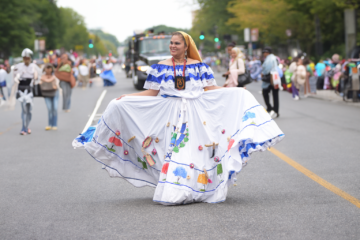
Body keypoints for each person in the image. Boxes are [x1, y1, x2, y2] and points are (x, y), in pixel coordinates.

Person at [73, 31, 284, 205]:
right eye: (171, 43)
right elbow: (151, 93)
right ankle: (176, 189)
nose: (172, 46)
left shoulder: (199, 66)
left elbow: (211, 89)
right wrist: (127, 97)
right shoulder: (160, 67)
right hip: (169, 114)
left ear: (186, 46)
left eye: (176, 43)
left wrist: (237, 92)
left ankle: (196, 189)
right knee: (173, 150)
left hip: (195, 114)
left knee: (194, 151)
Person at [14, 48, 39, 135]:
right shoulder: (19, 66)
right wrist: (18, 76)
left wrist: (35, 77)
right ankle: (23, 127)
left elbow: (36, 77)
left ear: (30, 58)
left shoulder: (33, 66)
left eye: (28, 58)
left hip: (30, 90)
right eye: (25, 58)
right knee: (23, 110)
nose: (26, 59)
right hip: (21, 90)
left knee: (29, 110)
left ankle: (27, 126)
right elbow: (15, 77)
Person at [261, 47, 280, 118]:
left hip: (269, 78)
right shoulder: (274, 57)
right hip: (275, 77)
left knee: (265, 92)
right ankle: (276, 110)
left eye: (264, 52)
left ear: (267, 52)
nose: (263, 54)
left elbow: (267, 69)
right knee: (275, 95)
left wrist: (263, 72)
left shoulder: (269, 58)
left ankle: (270, 108)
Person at [40, 64, 59, 130]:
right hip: (46, 93)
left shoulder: (54, 75)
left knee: (55, 108)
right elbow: (42, 81)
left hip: (54, 93)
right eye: (47, 68)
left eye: (49, 68)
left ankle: (54, 124)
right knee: (50, 109)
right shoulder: (42, 76)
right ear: (44, 69)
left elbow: (55, 83)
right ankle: (50, 124)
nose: (48, 69)